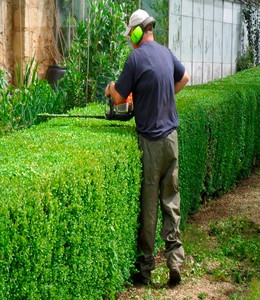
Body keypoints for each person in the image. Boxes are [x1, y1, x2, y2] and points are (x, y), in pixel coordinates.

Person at [105, 9, 190, 286]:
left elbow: (118, 97)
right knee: (171, 201)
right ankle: (175, 261)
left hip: (151, 143)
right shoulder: (166, 53)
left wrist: (109, 89)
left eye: (131, 33)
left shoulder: (136, 58)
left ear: (139, 32)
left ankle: (144, 271)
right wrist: (164, 93)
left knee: (150, 208)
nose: (130, 39)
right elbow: (185, 78)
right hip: (171, 140)